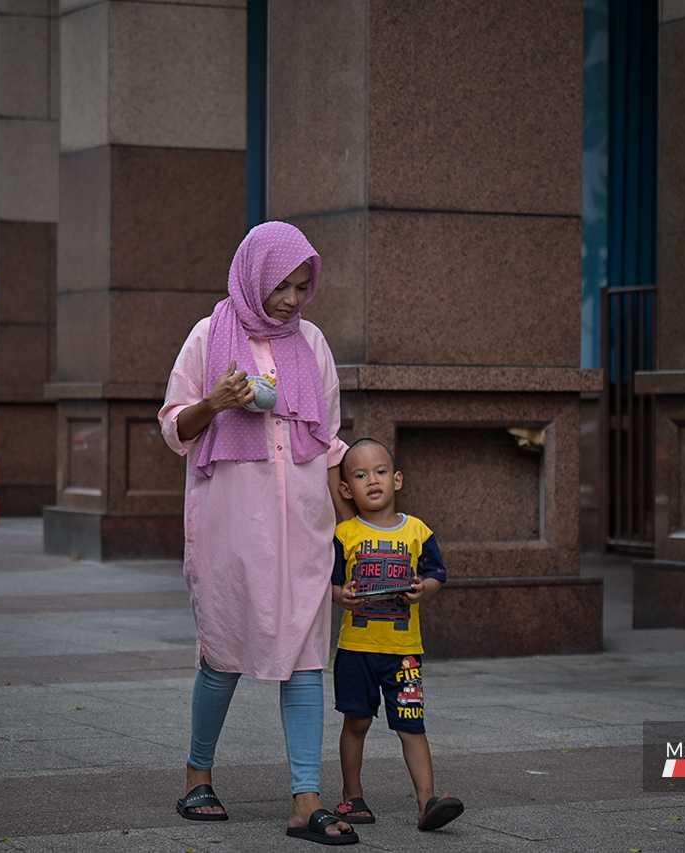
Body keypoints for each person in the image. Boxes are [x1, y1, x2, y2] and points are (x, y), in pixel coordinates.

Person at [158, 222, 359, 846]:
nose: (294, 300)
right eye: (284, 286)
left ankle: (306, 800)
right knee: (223, 652)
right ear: (255, 276)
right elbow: (173, 426)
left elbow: (327, 442)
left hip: (303, 527)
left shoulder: (314, 343)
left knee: (303, 656)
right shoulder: (207, 335)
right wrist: (217, 401)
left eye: (303, 288)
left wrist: (349, 537)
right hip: (230, 529)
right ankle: (198, 775)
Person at [330, 438, 464, 832]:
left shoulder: (418, 532)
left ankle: (428, 802)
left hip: (405, 653)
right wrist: (343, 596)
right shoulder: (345, 534)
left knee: (411, 724)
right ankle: (352, 797)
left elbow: (438, 574)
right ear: (345, 490)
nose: (372, 480)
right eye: (360, 475)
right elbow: (331, 584)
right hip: (356, 650)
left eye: (381, 471)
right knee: (356, 723)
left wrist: (425, 588)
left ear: (398, 479)